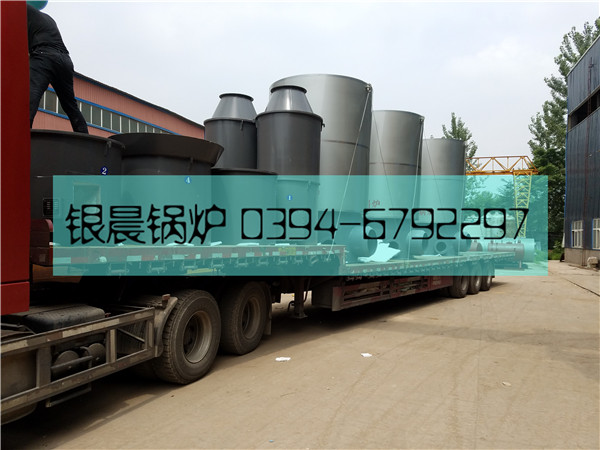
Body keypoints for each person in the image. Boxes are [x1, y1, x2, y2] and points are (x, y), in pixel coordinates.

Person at [27, 2, 88, 133]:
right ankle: (86, 138)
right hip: (65, 60)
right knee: (70, 105)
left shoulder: (23, 9)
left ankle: (22, 135)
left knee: (31, 95)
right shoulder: (48, 19)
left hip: (44, 55)